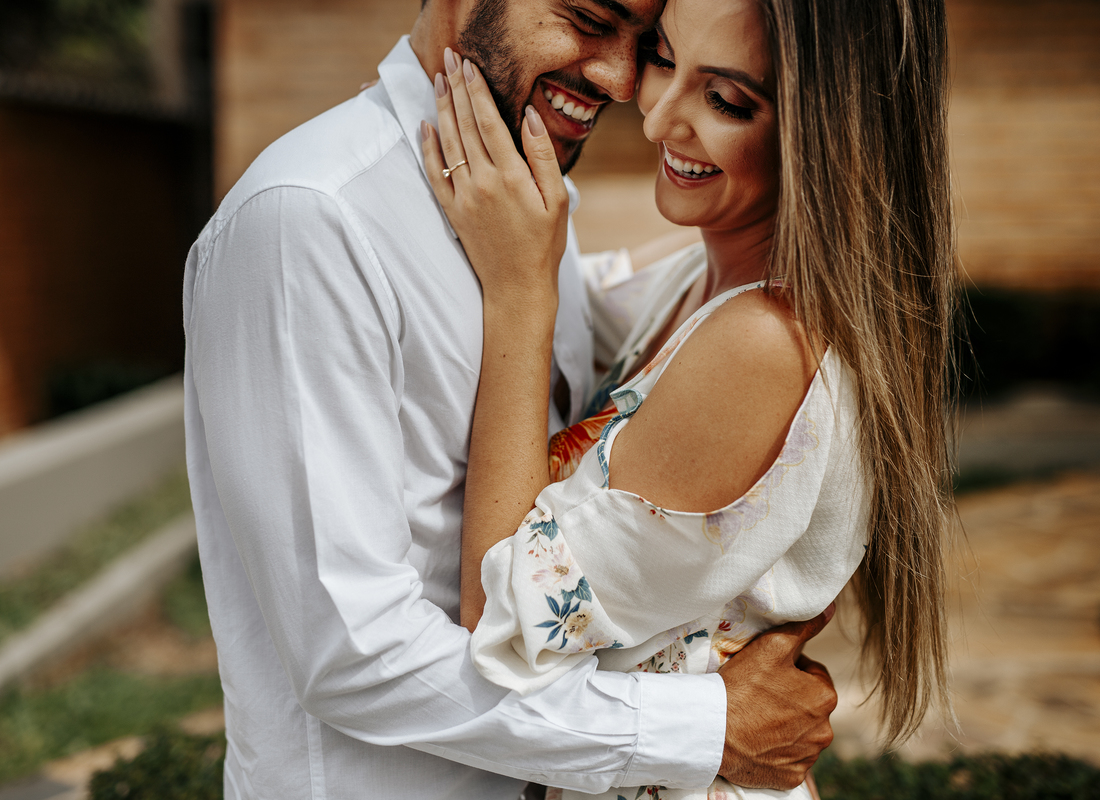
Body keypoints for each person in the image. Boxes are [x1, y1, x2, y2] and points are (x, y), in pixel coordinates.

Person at [182, 1, 843, 798]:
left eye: (644, 42)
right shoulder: (311, 222)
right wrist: (708, 727)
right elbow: (350, 654)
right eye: (590, 19)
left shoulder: (524, 204)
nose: (625, 82)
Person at [421, 0, 959, 797]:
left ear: (825, 136)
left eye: (728, 101)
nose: (657, 121)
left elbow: (500, 615)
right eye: (664, 60)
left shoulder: (763, 343)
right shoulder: (693, 282)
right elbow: (584, 298)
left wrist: (520, 295)